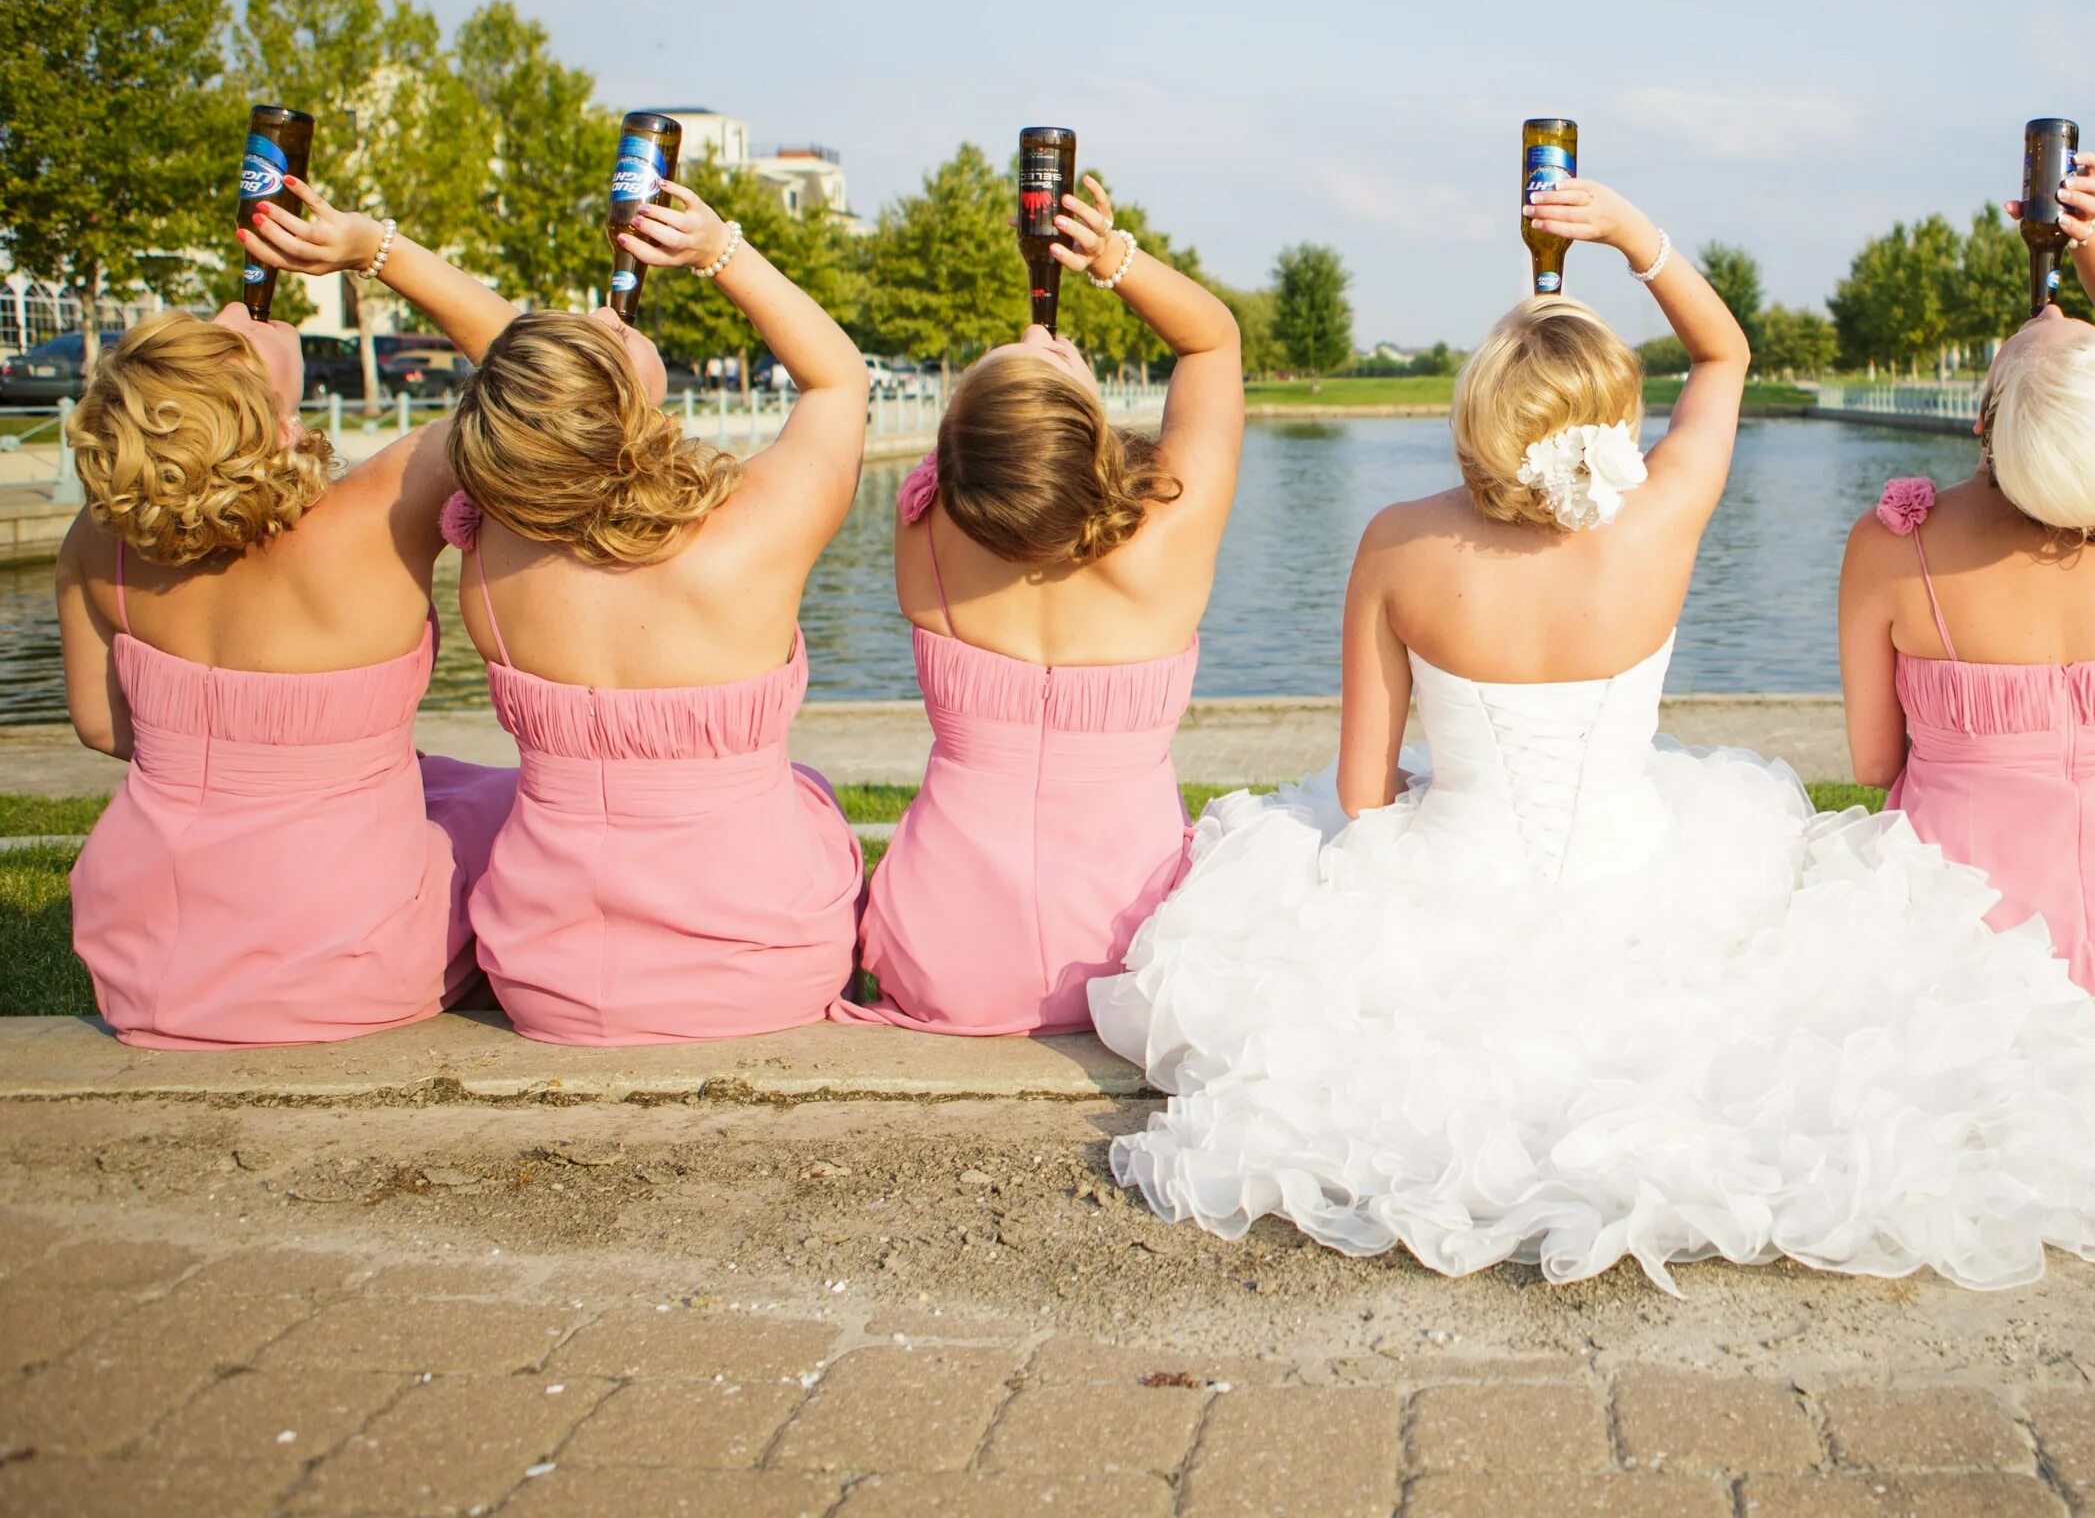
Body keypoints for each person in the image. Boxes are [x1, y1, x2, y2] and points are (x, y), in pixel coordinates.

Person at [1092, 178, 2095, 1293]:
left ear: (1477, 417)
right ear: (1614, 423)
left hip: (1449, 879)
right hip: (1644, 871)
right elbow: (1723, 352)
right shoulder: (1664, 513)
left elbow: (1363, 785)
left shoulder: (1395, 541)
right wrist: (1631, 232)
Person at [57, 180, 518, 1048]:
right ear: (264, 415)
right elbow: (544, 376)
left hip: (149, 962)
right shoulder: (380, 508)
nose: (238, 310)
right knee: (513, 809)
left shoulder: (103, 540)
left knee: (449, 785)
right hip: (346, 958)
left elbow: (101, 728)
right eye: (221, 341)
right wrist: (373, 250)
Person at [446, 181, 866, 1045]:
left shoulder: (486, 561)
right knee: (809, 798)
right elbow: (838, 380)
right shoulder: (750, 536)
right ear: (620, 409)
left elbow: (532, 401)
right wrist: (720, 253)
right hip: (762, 969)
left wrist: (380, 249)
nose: (604, 318)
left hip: (544, 978)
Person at [1837, 151, 2095, 1027]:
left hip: (1967, 938)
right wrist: (2091, 238)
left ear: (1984, 420)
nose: (2053, 307)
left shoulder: (1891, 546)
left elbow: (1874, 766)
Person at [838, 178, 1242, 1034]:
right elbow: (1212, 344)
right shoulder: (1169, 538)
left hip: (944, 951)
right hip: (1128, 949)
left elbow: (986, 476)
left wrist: (1032, 387)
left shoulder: (924, 538)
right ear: (1090, 432)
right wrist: (1110, 259)